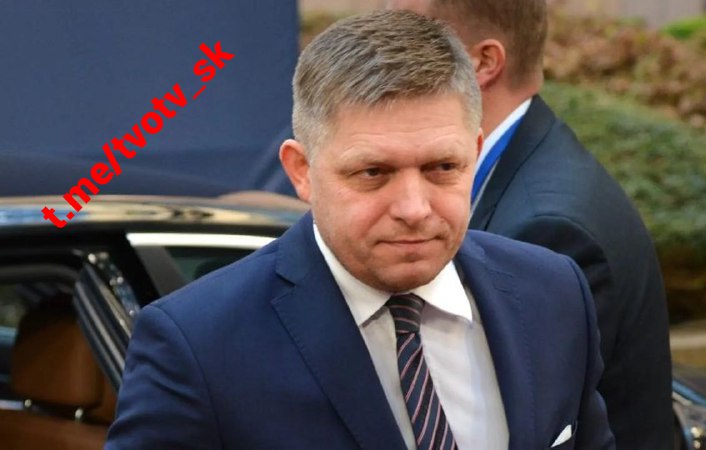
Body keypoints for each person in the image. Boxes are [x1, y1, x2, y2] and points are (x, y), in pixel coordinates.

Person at [105, 10, 614, 450]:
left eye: (442, 167)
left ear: (475, 153)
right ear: (301, 171)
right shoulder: (198, 345)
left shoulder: (553, 294)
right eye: (373, 173)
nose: (414, 208)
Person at [386, 1, 673, 449]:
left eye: (409, 40)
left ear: (484, 62)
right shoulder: (531, 167)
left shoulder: (548, 229)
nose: (383, 57)